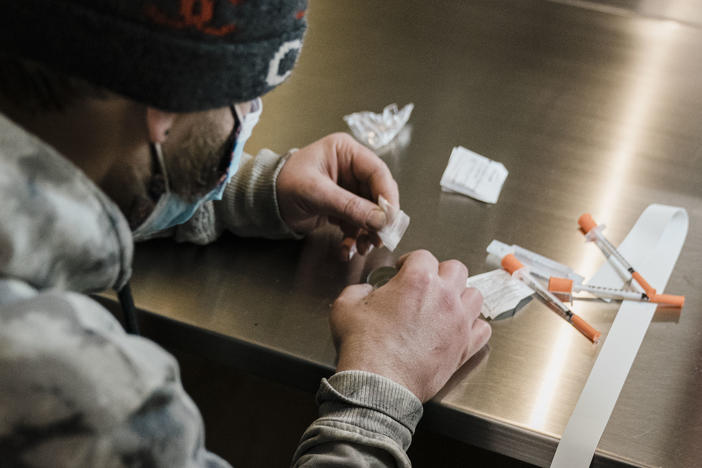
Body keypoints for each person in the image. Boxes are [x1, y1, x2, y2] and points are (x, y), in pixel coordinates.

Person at [0, 1, 491, 466]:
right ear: (167, 111)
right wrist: (380, 392)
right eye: (244, 97)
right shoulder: (84, 397)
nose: (249, 112)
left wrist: (248, 191)